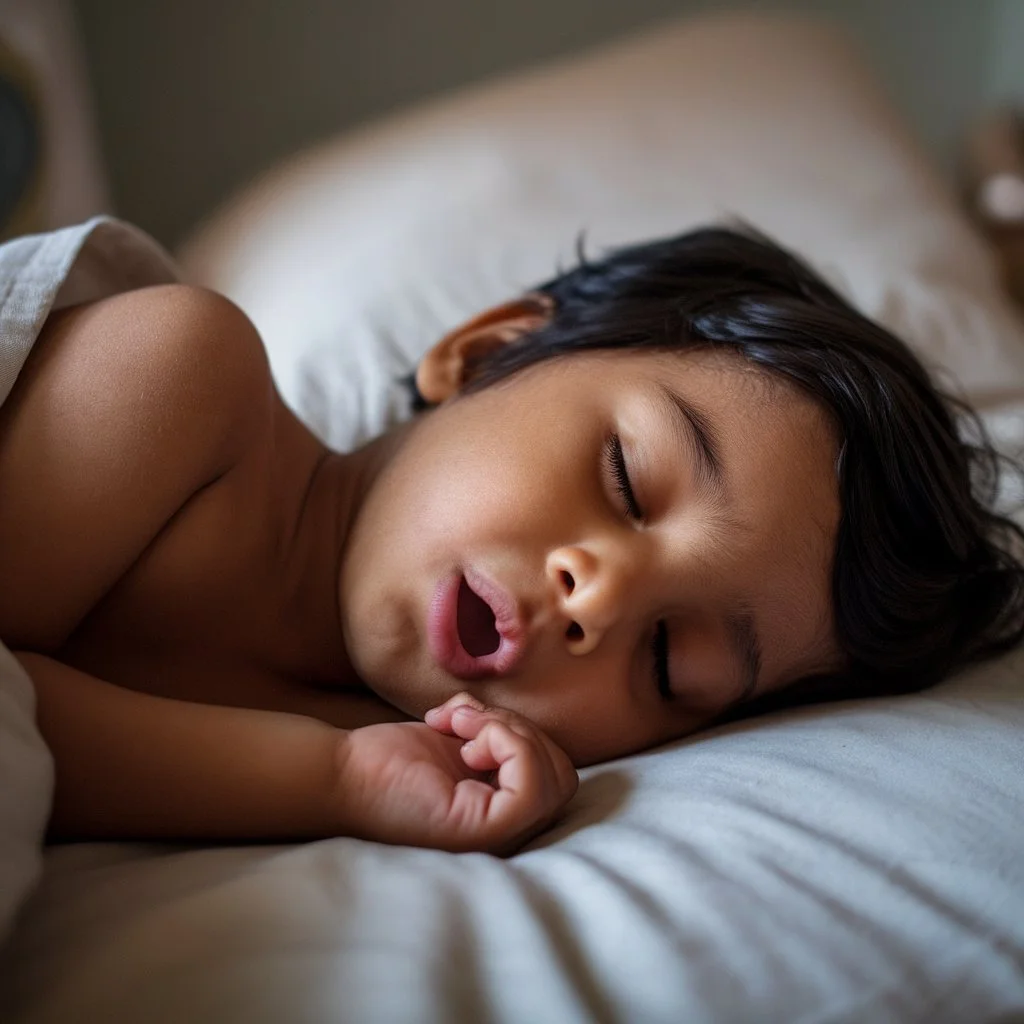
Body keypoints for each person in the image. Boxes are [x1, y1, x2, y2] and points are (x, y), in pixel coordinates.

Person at [1, 224, 1021, 855]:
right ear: (485, 353)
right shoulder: (181, 375)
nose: (600, 598)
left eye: (669, 660)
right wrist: (315, 776)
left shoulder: (395, 747)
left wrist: (342, 780)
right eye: (626, 479)